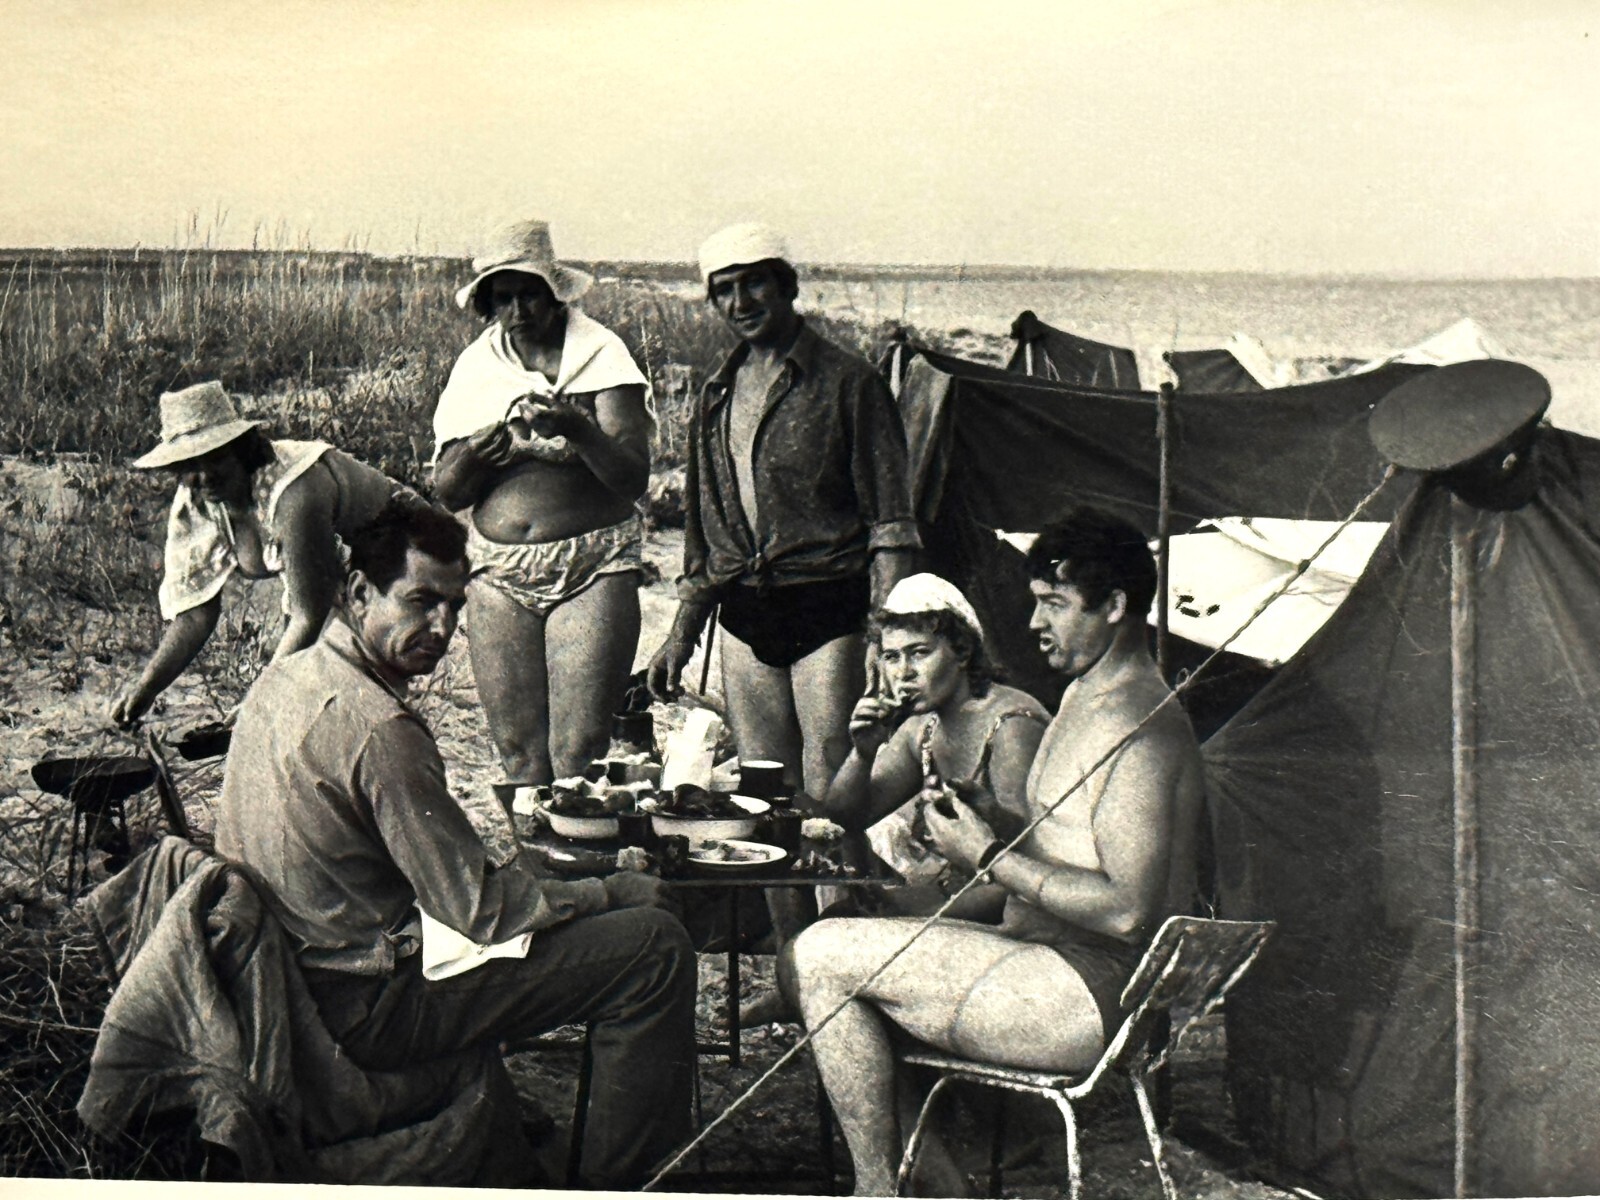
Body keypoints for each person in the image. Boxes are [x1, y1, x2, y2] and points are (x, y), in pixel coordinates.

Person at [210, 496, 696, 1188]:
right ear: (356, 591)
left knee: (583, 920)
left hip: (286, 981)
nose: (440, 627)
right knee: (655, 947)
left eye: (454, 607)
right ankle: (623, 1186)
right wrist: (609, 889)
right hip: (357, 1010)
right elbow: (480, 911)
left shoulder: (284, 678)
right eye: (420, 601)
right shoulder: (379, 727)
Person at [789, 508, 1204, 1196]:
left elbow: (1129, 912)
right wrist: (991, 819)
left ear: (1116, 606)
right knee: (836, 956)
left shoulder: (1138, 725)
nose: (1035, 623)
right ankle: (929, 1178)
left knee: (822, 957)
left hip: (1088, 994)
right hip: (1046, 963)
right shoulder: (1085, 693)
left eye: (1054, 604)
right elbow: (1069, 841)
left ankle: (877, 1190)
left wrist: (988, 857)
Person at [646, 221, 920, 801]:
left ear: (787, 286)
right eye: (724, 289)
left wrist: (883, 637)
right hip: (744, 613)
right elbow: (705, 529)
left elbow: (892, 529)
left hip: (829, 608)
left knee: (832, 789)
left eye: (754, 285)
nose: (740, 303)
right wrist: (681, 634)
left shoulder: (852, 383)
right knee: (762, 793)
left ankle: (840, 896)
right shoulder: (717, 392)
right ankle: (784, 898)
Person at [431, 218, 653, 784]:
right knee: (520, 755)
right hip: (499, 572)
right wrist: (482, 453)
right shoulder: (476, 369)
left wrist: (578, 430)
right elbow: (449, 491)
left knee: (579, 752)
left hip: (593, 566)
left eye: (529, 293)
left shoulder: (602, 356)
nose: (518, 311)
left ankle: (587, 873)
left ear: (554, 293)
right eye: (502, 298)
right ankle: (541, 874)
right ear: (487, 304)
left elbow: (632, 479)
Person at [109, 381, 402, 727]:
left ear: (241, 450)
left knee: (334, 707)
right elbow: (195, 616)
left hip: (408, 556)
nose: (204, 477)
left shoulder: (294, 492)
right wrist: (147, 688)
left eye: (215, 457)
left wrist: (258, 698)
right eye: (189, 465)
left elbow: (310, 612)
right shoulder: (198, 502)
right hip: (347, 585)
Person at [823, 573, 1048, 922]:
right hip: (961, 897)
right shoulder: (923, 727)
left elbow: (1029, 870)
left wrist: (915, 912)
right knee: (834, 922)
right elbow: (845, 817)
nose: (903, 673)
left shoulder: (1011, 724)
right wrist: (862, 753)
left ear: (962, 651)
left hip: (1018, 912)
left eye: (919, 653)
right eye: (891, 657)